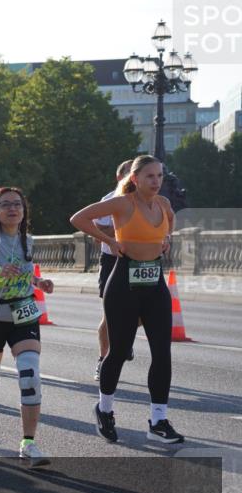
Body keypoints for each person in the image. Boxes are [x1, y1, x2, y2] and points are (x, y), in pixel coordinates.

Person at [70, 155, 182, 445]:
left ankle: (158, 421)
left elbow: (171, 220)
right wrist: (109, 240)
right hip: (124, 283)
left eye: (159, 176)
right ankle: (104, 409)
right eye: (150, 176)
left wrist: (167, 237)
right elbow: (78, 218)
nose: (156, 181)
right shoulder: (122, 204)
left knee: (162, 352)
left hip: (154, 283)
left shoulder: (163, 204)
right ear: (135, 179)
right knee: (119, 351)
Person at [0, 187, 54, 465]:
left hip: (24, 312)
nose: (13, 209)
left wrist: (39, 283)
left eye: (17, 204)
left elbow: (24, 273)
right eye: (5, 205)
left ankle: (28, 443)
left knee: (30, 377)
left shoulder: (28, 240)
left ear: (24, 210)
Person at [93, 160, 135, 381]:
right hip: (112, 260)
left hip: (138, 261)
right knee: (110, 314)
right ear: (120, 177)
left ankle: (125, 340)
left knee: (141, 312)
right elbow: (98, 230)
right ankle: (103, 360)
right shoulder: (109, 200)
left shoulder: (147, 200)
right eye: (129, 173)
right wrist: (123, 227)